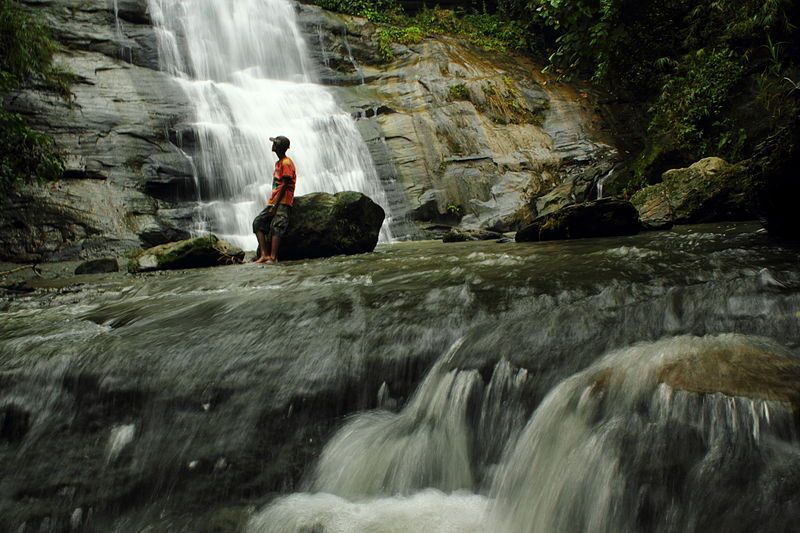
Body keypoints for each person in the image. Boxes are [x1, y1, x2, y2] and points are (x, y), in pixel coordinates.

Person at [252, 135, 297, 263]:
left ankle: (273, 257)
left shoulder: (286, 163)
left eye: (274, 143)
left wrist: (275, 206)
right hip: (274, 201)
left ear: (278, 146)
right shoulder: (279, 163)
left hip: (283, 201)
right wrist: (272, 204)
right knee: (258, 223)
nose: (272, 145)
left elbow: (285, 185)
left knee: (278, 226)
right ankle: (264, 255)